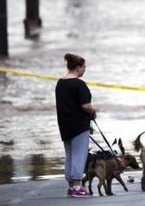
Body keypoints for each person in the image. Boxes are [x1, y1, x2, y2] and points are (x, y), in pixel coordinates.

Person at [55, 53, 96, 198]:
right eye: (84, 67)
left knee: (70, 155)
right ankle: (78, 186)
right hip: (79, 125)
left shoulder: (60, 83)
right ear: (78, 67)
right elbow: (85, 105)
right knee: (79, 155)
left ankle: (71, 185)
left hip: (65, 124)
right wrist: (93, 111)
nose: (85, 70)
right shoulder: (79, 84)